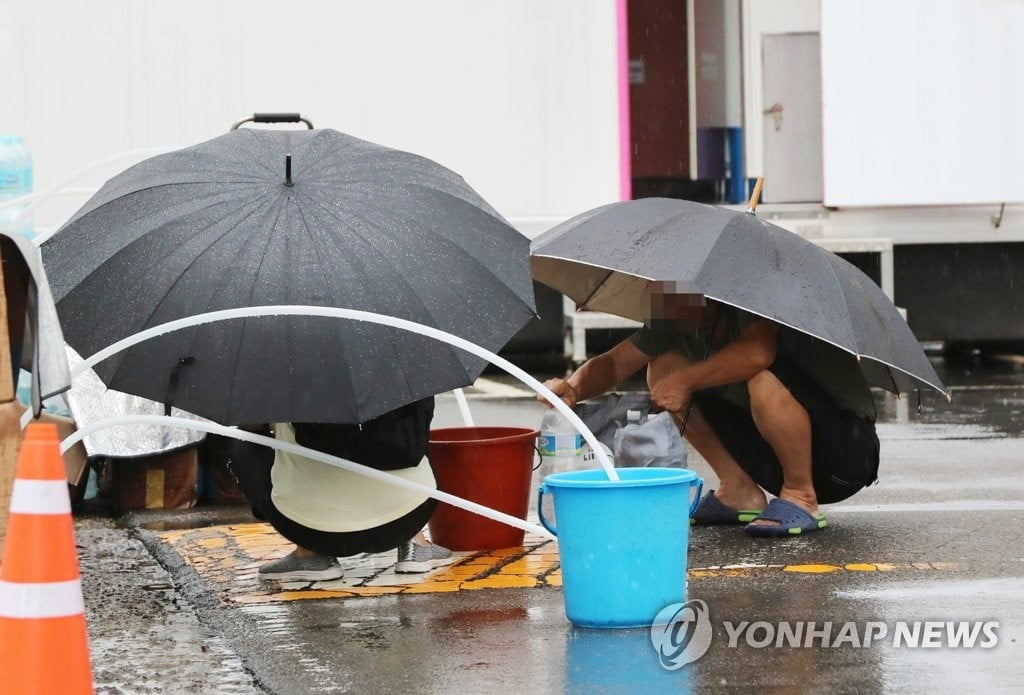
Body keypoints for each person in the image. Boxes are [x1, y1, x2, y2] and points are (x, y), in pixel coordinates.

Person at [541, 294, 879, 536]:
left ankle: (801, 497)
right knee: (664, 364)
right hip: (771, 455)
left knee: (760, 377)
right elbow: (615, 363)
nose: (660, 295)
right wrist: (573, 387)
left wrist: (684, 381)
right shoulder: (676, 317)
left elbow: (757, 353)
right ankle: (738, 488)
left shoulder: (759, 304)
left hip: (843, 457)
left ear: (707, 293)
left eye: (672, 287)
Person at [228, 397, 455, 581]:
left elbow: (251, 425)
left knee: (244, 440)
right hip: (407, 517)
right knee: (413, 433)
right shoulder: (402, 361)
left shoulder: (286, 372)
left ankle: (310, 555)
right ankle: (417, 545)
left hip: (314, 530)